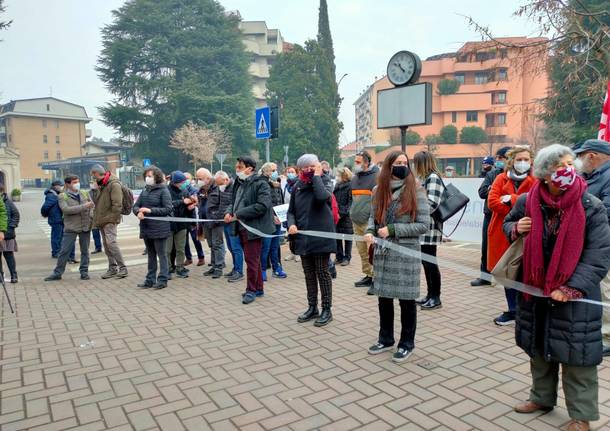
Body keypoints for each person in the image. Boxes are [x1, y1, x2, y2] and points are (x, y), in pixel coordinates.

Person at [503, 144, 610, 431]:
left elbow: (599, 256)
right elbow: (507, 223)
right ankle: (541, 398)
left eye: (570, 164)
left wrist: (571, 288)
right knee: (538, 350)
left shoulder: (590, 206)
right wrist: (516, 227)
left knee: (577, 358)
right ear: (546, 173)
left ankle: (581, 416)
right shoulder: (528, 201)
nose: (569, 170)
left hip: (573, 297)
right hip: (535, 291)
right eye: (561, 166)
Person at [364, 151, 430, 362]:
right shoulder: (377, 190)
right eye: (397, 163)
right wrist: (369, 232)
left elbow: (423, 225)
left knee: (406, 300)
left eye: (405, 162)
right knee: (384, 298)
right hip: (384, 254)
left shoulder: (416, 189)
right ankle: (386, 339)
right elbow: (373, 219)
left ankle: (406, 343)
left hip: (405, 254)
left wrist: (392, 229)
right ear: (388, 166)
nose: (402, 166)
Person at [488, 146, 536, 325]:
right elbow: (493, 202)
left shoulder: (536, 180)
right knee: (508, 271)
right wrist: (519, 202)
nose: (522, 163)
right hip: (502, 231)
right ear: (511, 161)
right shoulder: (501, 178)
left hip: (526, 233)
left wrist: (512, 199)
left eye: (526, 159)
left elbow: (533, 203)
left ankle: (525, 311)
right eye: (519, 159)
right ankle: (512, 310)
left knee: (525, 272)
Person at [288, 154, 336, 326]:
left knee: (322, 273)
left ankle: (327, 309)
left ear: (317, 166)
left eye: (311, 167)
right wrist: (291, 224)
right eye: (304, 168)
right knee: (308, 274)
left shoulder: (325, 181)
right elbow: (291, 210)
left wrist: (316, 176)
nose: (307, 170)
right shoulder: (298, 186)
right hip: (302, 236)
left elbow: (323, 197)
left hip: (321, 236)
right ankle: (312, 307)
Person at [575, 139, 610, 356]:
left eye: (580, 156)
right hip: (596, 241)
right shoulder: (595, 176)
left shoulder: (607, 176)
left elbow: (607, 210)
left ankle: (607, 334)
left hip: (603, 242)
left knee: (606, 287)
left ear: (591, 156)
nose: (579, 162)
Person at [224, 156, 275, 304]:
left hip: (254, 228)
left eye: (239, 167)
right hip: (240, 227)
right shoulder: (239, 183)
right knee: (253, 260)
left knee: (251, 260)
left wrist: (238, 214)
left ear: (249, 169)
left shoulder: (261, 184)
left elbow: (262, 206)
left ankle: (251, 290)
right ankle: (258, 288)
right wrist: (229, 212)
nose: (237, 169)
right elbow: (233, 202)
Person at [471, 146, 511, 287]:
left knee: (510, 248)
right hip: (490, 215)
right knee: (486, 246)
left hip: (509, 217)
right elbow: (482, 192)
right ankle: (485, 276)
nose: (498, 161)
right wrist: (493, 189)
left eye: (501, 158)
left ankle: (509, 278)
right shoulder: (492, 174)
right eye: (497, 158)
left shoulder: (515, 176)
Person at [44, 175, 94, 281]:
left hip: (85, 226)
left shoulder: (84, 193)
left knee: (85, 251)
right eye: (74, 182)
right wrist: (84, 206)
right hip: (71, 227)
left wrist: (91, 216)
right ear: (67, 184)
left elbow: (92, 206)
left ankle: (84, 272)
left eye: (78, 181)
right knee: (64, 251)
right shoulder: (63, 196)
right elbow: (66, 210)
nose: (77, 184)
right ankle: (57, 273)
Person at [413, 151, 445, 309]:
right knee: (426, 262)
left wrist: (413, 209)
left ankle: (436, 297)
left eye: (416, 162)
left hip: (430, 227)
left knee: (431, 262)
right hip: (424, 226)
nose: (414, 166)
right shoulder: (424, 178)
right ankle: (429, 294)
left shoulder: (433, 178)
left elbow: (432, 203)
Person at [133, 166, 173, 290]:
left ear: (157, 177)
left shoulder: (163, 190)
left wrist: (150, 210)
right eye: (146, 176)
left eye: (150, 176)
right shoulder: (145, 190)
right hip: (146, 227)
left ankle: (162, 279)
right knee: (150, 254)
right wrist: (138, 212)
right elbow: (136, 206)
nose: (147, 178)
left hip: (160, 228)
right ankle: (150, 279)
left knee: (162, 254)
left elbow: (168, 209)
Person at [90, 164, 128, 279]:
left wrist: (112, 218)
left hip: (110, 219)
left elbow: (117, 204)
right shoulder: (101, 185)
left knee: (111, 243)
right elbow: (96, 201)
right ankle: (112, 268)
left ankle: (123, 268)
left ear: (96, 174)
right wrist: (94, 190)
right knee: (106, 245)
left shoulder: (113, 184)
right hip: (102, 218)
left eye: (93, 175)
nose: (92, 178)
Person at [351, 151, 379, 288]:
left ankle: (377, 279)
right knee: (362, 251)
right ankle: (368, 275)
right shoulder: (355, 178)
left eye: (358, 162)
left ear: (366, 163)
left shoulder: (377, 176)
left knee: (373, 252)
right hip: (356, 221)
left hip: (369, 223)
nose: (355, 164)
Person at [259, 162, 287, 281]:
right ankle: (263, 270)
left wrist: (282, 216)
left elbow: (280, 202)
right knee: (265, 247)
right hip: (267, 221)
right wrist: (272, 216)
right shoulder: (263, 184)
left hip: (277, 221)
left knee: (275, 246)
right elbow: (264, 204)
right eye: (273, 170)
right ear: (267, 172)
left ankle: (276, 268)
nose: (276, 172)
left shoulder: (278, 185)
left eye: (276, 170)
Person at [216, 173, 244, 282]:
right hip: (225, 222)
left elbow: (234, 204)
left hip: (234, 223)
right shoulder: (224, 188)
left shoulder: (234, 188)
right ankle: (235, 268)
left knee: (236, 248)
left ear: (226, 179)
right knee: (231, 248)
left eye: (220, 183)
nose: (219, 186)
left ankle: (239, 271)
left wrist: (229, 214)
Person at [167, 171, 193, 279]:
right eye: (181, 182)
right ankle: (167, 269)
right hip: (169, 224)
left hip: (182, 224)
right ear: (174, 182)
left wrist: (190, 208)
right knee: (167, 249)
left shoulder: (184, 190)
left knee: (180, 248)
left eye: (184, 182)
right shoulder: (166, 191)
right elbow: (168, 205)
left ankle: (180, 268)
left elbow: (188, 204)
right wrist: (182, 202)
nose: (183, 184)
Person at [41, 180, 75, 261]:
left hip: (58, 218)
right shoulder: (52, 195)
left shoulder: (55, 194)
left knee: (59, 236)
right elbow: (45, 207)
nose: (62, 187)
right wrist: (45, 214)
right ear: (56, 186)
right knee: (56, 236)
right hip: (56, 219)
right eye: (60, 185)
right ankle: (55, 252)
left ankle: (58, 251)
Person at [203, 171, 228, 279]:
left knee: (217, 244)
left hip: (217, 221)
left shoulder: (219, 188)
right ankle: (213, 265)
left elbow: (223, 205)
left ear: (207, 178)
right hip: (207, 220)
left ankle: (219, 267)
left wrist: (216, 216)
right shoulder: (204, 189)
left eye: (200, 178)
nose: (198, 180)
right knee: (211, 244)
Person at [184, 169, 207, 267]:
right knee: (184, 240)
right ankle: (188, 258)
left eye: (187, 179)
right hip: (184, 217)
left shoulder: (195, 189)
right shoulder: (181, 189)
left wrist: (193, 204)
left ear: (191, 179)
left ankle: (201, 257)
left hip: (193, 218)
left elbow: (198, 202)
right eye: (183, 179)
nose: (185, 181)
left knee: (195, 238)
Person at [333, 167, 353, 266]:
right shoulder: (337, 185)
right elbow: (333, 200)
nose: (337, 177)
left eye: (338, 175)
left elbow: (351, 202)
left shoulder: (351, 186)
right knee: (337, 237)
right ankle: (339, 256)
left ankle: (347, 257)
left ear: (343, 176)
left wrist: (342, 213)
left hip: (347, 216)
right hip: (337, 215)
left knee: (348, 238)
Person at [0, 184, 19, 283]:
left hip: (7, 234)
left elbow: (16, 215)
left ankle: (14, 275)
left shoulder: (8, 202)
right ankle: (1, 277)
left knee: (9, 255)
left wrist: (11, 227)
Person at [283, 166, 300, 263]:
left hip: (296, 213)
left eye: (292, 172)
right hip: (287, 213)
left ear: (297, 173)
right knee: (290, 234)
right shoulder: (286, 185)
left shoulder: (298, 184)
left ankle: (298, 253)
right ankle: (292, 252)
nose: (290, 173)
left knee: (297, 233)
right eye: (288, 172)